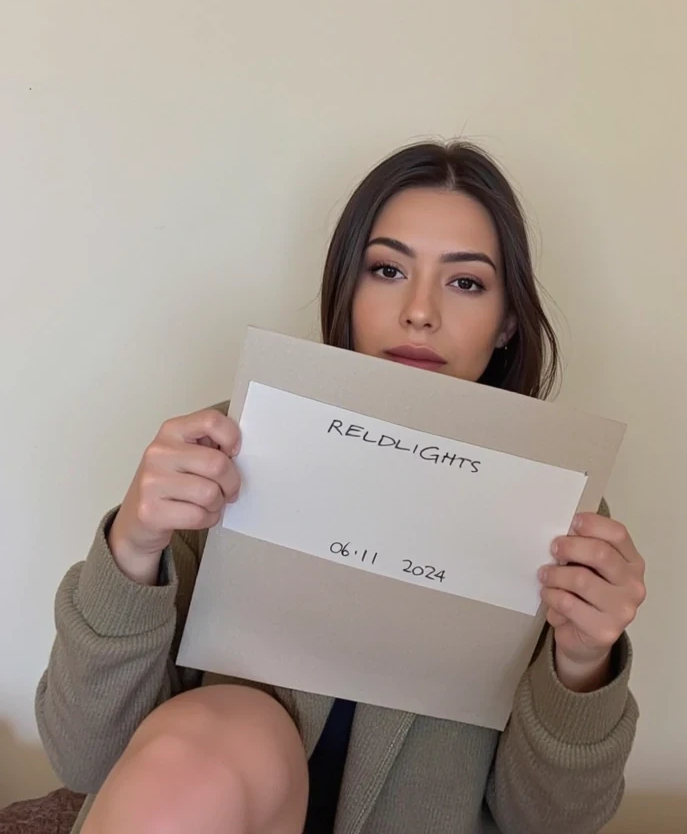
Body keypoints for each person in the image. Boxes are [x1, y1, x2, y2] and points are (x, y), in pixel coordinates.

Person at [37, 141, 645, 834]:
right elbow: (85, 757)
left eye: (466, 282)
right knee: (222, 728)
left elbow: (552, 825)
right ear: (346, 291)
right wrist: (133, 549)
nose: (420, 312)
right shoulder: (229, 448)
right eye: (386, 269)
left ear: (508, 320)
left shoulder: (560, 513)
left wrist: (583, 663)